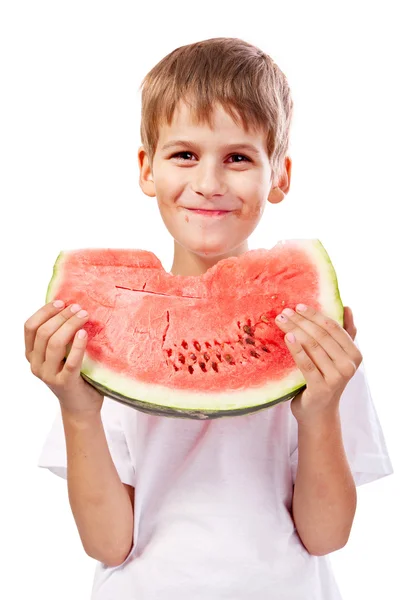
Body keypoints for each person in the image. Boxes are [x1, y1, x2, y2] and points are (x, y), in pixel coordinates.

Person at [25, 37, 393, 599]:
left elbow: (326, 536)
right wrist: (77, 410)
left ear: (280, 176)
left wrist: (320, 412)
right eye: (184, 155)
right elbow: (107, 544)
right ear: (147, 169)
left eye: (239, 158)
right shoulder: (105, 333)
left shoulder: (316, 340)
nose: (210, 183)